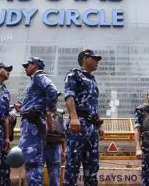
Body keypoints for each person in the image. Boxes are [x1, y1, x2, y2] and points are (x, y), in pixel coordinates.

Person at [14, 56, 58, 185]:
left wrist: (48, 111)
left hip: (33, 124)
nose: (25, 68)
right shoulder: (35, 80)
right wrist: (23, 108)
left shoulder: (39, 76)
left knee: (33, 163)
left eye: (27, 65)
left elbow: (52, 90)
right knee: (31, 162)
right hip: (31, 122)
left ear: (35, 65)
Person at [63, 49, 104, 186]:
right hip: (78, 124)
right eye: (95, 58)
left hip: (92, 127)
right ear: (86, 58)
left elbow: (94, 104)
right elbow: (69, 95)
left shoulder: (93, 80)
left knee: (92, 166)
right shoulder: (74, 74)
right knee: (73, 165)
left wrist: (99, 125)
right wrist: (74, 117)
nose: (97, 61)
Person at [44, 93, 66, 186]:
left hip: (52, 147)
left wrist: (64, 150)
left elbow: (63, 134)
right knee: (36, 173)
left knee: (53, 174)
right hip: (42, 146)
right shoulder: (39, 112)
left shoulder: (59, 114)